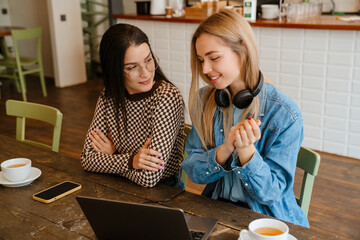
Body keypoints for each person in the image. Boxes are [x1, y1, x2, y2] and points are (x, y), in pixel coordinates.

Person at [181, 10, 309, 227]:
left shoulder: (285, 115)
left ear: (243, 50)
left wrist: (247, 154)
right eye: (202, 59)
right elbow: (193, 170)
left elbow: (271, 194)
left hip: (267, 220)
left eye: (214, 58)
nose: (205, 69)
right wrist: (223, 152)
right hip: (217, 209)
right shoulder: (204, 100)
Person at [81, 23, 185, 188]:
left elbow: (149, 178)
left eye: (148, 60)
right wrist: (131, 160)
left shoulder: (167, 97)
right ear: (114, 69)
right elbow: (87, 159)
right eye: (132, 67)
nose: (146, 73)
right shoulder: (109, 95)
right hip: (118, 185)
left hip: (163, 190)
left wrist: (114, 156)